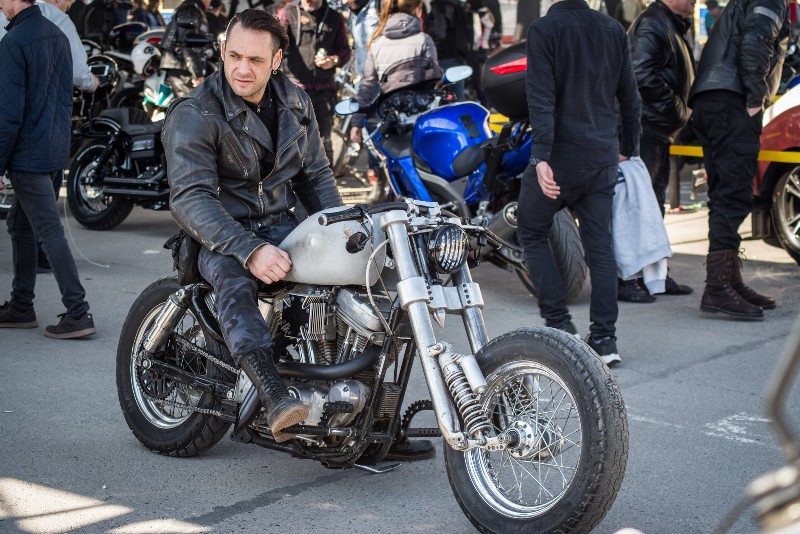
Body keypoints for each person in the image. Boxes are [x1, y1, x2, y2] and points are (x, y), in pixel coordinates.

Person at [517, 0, 642, 366]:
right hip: (601, 155)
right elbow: (631, 99)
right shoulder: (613, 29)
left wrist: (540, 157)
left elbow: (541, 99)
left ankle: (560, 327)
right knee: (599, 245)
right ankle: (605, 339)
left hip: (561, 157)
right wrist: (629, 147)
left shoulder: (544, 30)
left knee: (531, 230)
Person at [0, 0, 97, 339]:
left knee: (48, 232)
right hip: (54, 149)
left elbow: (8, 113)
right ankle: (21, 307)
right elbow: (65, 98)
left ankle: (78, 312)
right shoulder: (57, 33)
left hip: (28, 155)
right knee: (20, 225)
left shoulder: (13, 41)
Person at [689, 0, 788, 320]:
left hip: (714, 99)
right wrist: (755, 99)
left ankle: (728, 281)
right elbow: (756, 41)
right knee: (733, 194)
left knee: (724, 194)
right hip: (732, 100)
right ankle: (718, 287)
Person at [621, 0, 696, 302]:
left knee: (652, 207)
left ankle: (655, 276)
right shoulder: (655, 23)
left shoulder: (667, 23)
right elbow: (641, 74)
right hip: (646, 128)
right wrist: (676, 110)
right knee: (636, 207)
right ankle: (626, 279)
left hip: (656, 129)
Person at [349, 0, 442, 145]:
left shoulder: (376, 43)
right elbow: (434, 79)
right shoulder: (424, 40)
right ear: (417, 11)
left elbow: (367, 85)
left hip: (389, 117)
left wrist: (357, 122)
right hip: (421, 117)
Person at [278, 0, 351, 166]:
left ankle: (325, 182)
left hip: (324, 90)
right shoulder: (288, 14)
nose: (308, 1)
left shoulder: (334, 17)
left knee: (323, 143)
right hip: (294, 90)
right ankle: (292, 181)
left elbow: (345, 50)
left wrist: (334, 60)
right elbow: (273, 46)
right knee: (292, 144)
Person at [159, 0, 213, 99]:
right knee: (188, 102)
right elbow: (188, 43)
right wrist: (197, 73)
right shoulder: (190, 10)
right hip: (180, 63)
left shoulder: (191, 8)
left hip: (180, 63)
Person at [427, 0, 471, 99]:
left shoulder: (440, 7)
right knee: (458, 96)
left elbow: (440, 33)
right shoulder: (458, 6)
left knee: (439, 97)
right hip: (458, 56)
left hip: (444, 56)